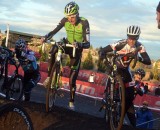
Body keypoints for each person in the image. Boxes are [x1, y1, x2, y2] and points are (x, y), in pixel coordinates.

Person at [99, 25, 151, 127]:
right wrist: (106, 62)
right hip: (114, 66)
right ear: (127, 36)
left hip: (125, 69)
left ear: (138, 37)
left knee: (131, 91)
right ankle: (108, 98)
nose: (131, 41)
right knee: (112, 77)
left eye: (134, 38)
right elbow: (102, 51)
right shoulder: (120, 43)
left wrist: (138, 57)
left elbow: (148, 61)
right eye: (130, 37)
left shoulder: (140, 46)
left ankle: (121, 108)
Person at [41, 1, 90, 109]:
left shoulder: (84, 22)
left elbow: (88, 43)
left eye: (72, 17)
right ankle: (50, 77)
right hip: (67, 44)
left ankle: (71, 100)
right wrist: (45, 37)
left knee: (72, 78)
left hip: (77, 49)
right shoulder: (65, 20)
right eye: (68, 17)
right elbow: (54, 31)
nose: (70, 19)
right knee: (53, 50)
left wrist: (79, 44)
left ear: (77, 14)